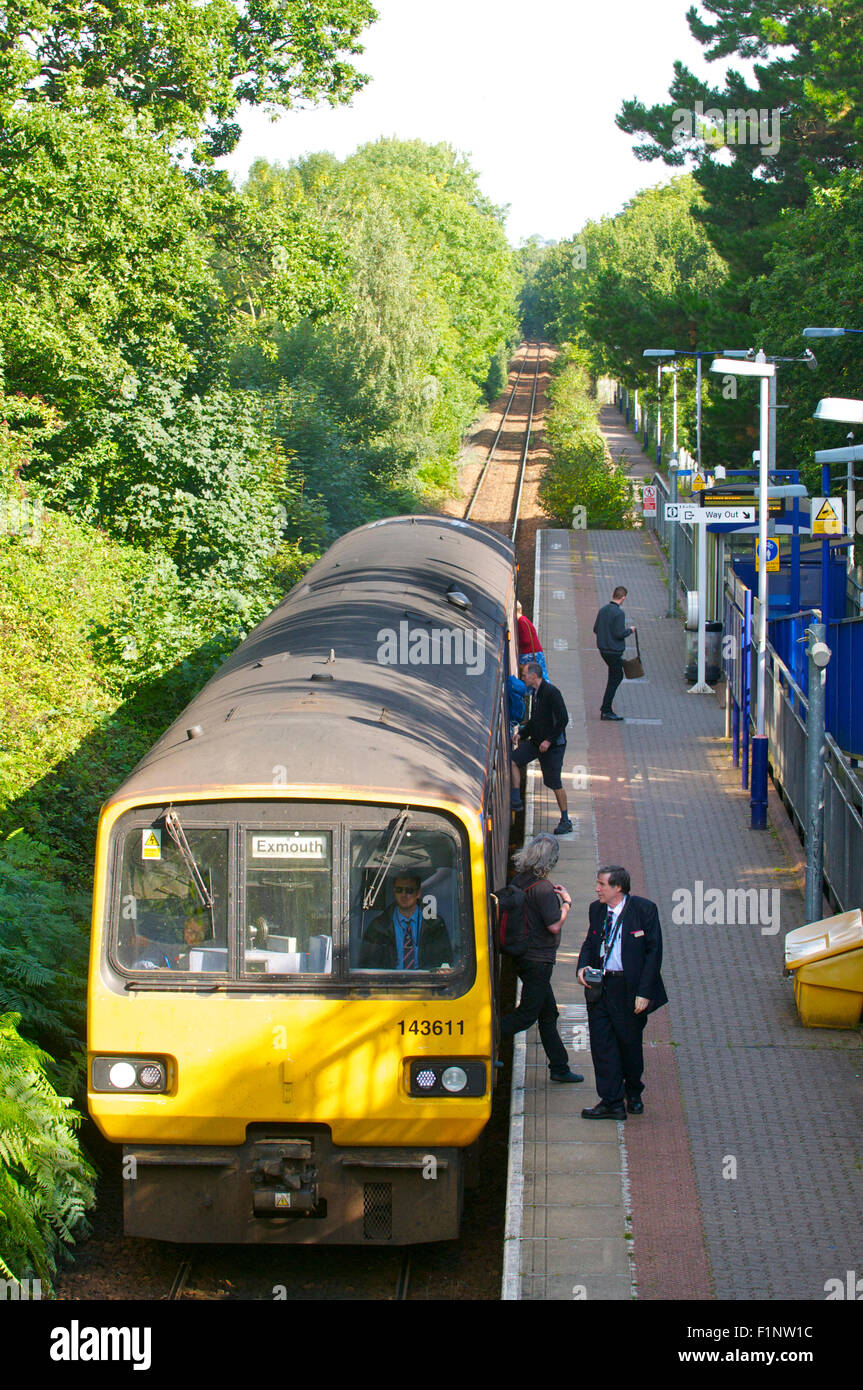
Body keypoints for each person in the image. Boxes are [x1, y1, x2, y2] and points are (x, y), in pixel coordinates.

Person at [576, 865, 667, 1119]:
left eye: (601, 885)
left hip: (630, 989)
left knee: (628, 1044)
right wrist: (583, 966)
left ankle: (634, 1092)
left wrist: (644, 992)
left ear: (618, 888)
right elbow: (590, 942)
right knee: (602, 1044)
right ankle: (611, 1101)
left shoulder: (643, 910)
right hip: (601, 987)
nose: (597, 889)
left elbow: (653, 953)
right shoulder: (597, 910)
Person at [500, 834, 582, 1084]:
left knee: (548, 1014)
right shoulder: (545, 889)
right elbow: (554, 925)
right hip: (539, 960)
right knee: (526, 1015)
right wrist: (567, 903)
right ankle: (483, 1038)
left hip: (524, 956)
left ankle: (559, 1066)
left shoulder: (520, 880)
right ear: (552, 860)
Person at [511, 662, 573, 835]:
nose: (522, 678)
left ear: (533, 676)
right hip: (536, 742)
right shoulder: (536, 693)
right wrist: (522, 734)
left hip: (553, 747)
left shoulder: (552, 693)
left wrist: (549, 740)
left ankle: (565, 820)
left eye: (524, 675)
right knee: (514, 760)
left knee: (554, 783)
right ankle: (516, 798)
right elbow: (535, 719)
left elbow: (563, 719)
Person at [359, 872, 453, 969]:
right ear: (394, 892)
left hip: (426, 982)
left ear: (418, 893)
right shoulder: (379, 926)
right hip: (389, 982)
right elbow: (367, 964)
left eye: (409, 890)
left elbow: (445, 961)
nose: (404, 895)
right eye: (399, 890)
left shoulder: (435, 924)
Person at [593, 585, 635, 721]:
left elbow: (595, 629)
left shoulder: (603, 610)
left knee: (615, 675)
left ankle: (606, 708)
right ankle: (606, 709)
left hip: (603, 649)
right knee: (616, 678)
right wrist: (630, 630)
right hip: (614, 651)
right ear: (623, 598)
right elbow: (619, 633)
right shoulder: (619, 613)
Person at [516, 602, 548, 680]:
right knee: (541, 674)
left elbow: (526, 640)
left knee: (533, 676)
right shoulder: (524, 619)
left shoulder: (521, 621)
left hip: (530, 653)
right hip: (536, 652)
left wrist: (518, 644)